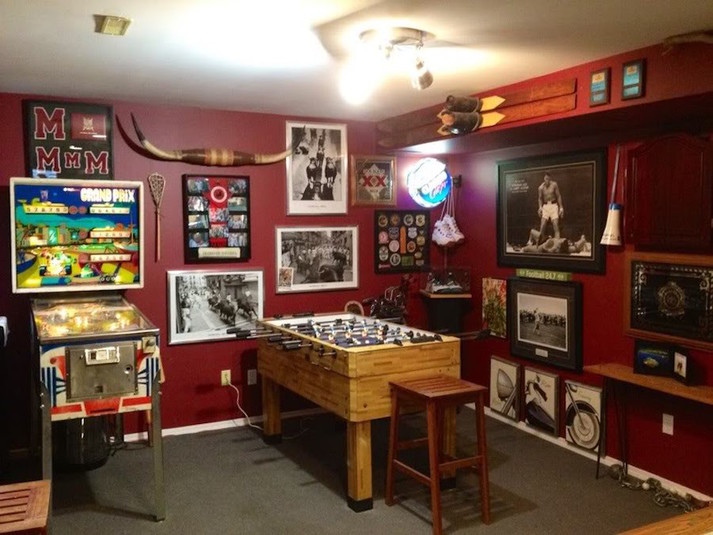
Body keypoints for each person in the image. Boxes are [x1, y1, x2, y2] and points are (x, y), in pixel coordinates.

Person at [537, 173, 564, 243]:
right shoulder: (540, 188)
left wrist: (561, 207)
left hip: (554, 205)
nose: (547, 180)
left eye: (548, 179)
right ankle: (541, 244)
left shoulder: (554, 184)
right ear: (544, 179)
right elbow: (540, 198)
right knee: (542, 226)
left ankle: (557, 244)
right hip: (545, 206)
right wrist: (540, 207)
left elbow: (558, 196)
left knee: (555, 225)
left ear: (550, 178)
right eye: (546, 179)